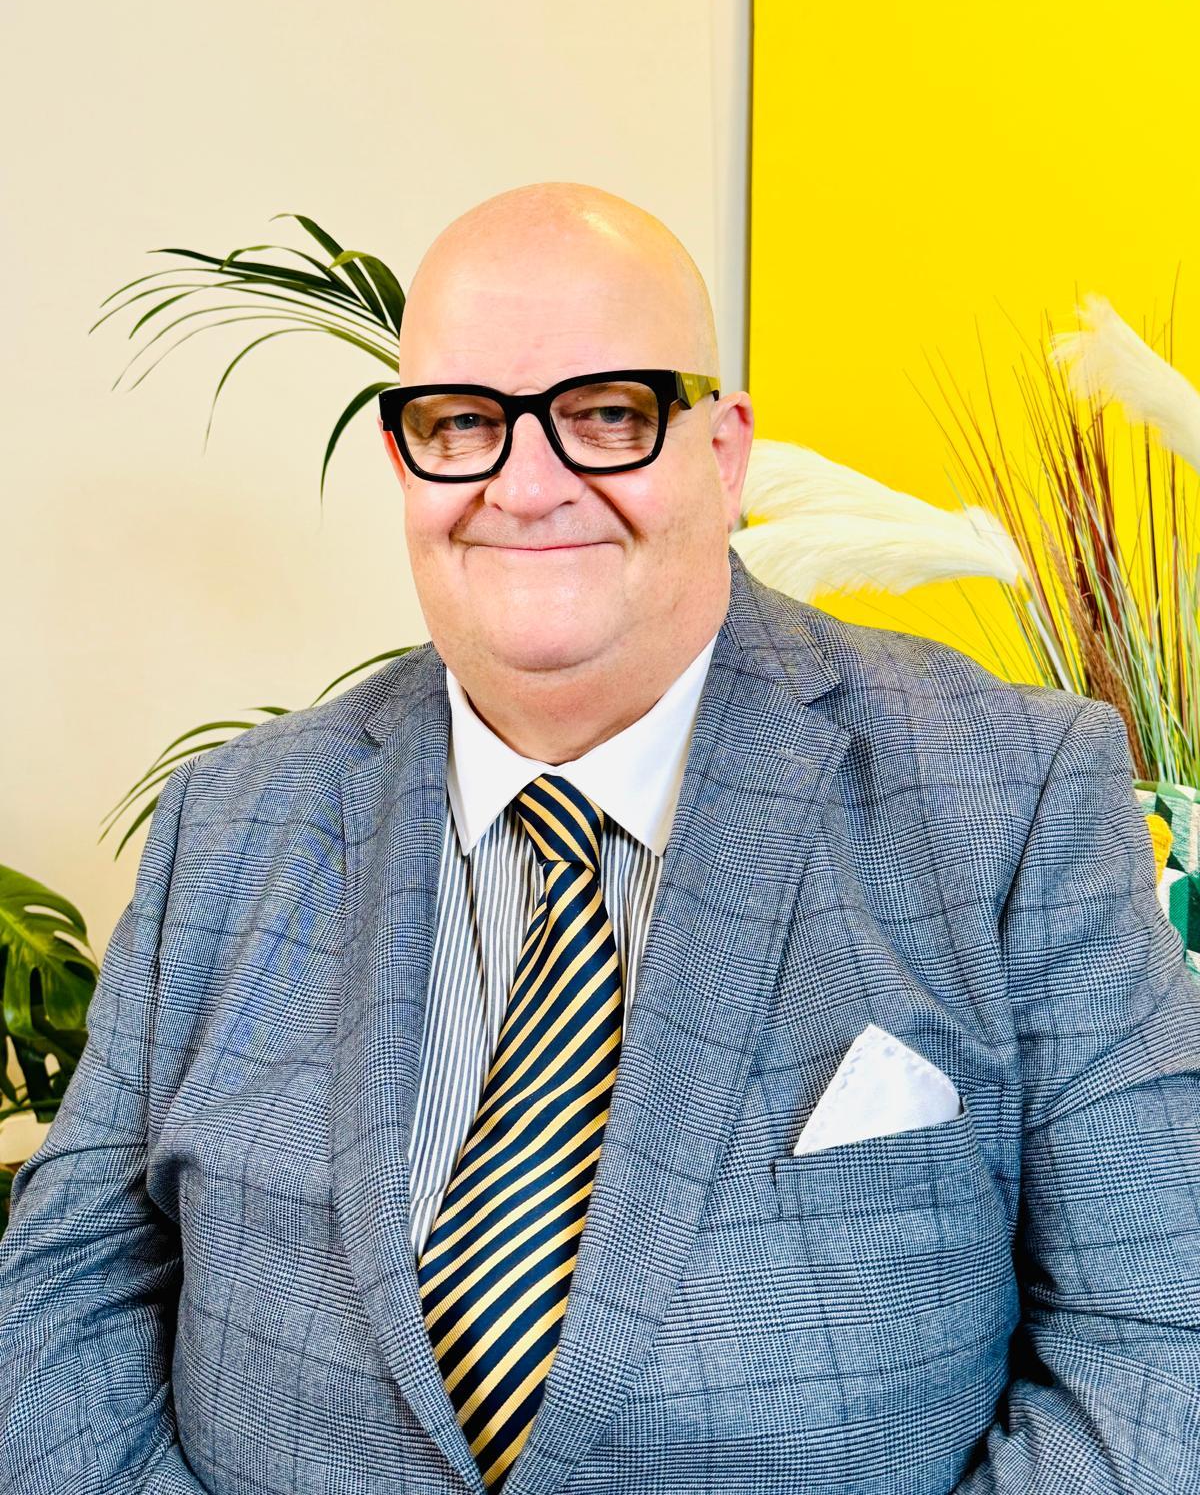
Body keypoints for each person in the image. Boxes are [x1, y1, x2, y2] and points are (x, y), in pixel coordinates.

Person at [1, 181, 1198, 1495]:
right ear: (404, 461)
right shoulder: (231, 825)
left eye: (608, 415)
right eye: (463, 423)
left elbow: (1158, 1342)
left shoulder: (1011, 797)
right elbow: (58, 1308)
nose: (526, 486)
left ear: (724, 451)